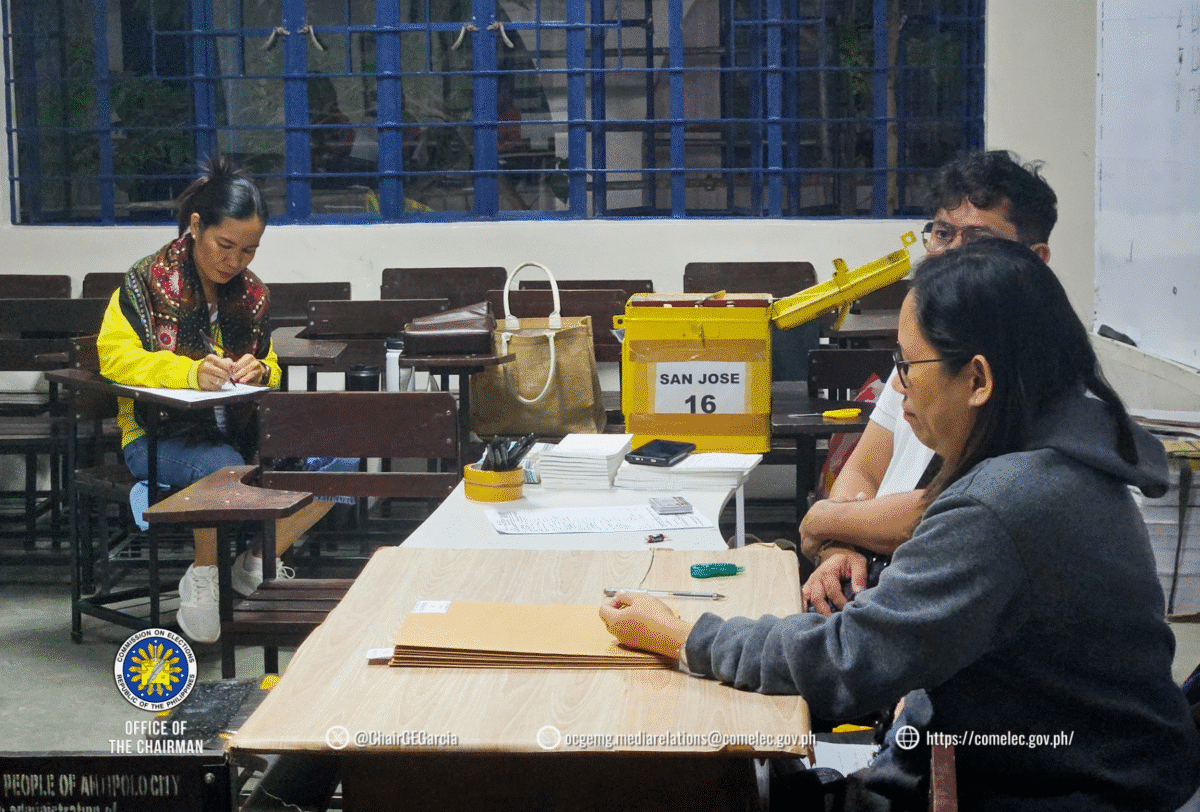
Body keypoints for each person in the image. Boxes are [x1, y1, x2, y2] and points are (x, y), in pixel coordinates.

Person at [601, 239, 1200, 811]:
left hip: (1063, 793)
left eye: (908, 363)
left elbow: (850, 662)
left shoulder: (1002, 504)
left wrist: (684, 637)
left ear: (979, 380)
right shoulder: (1058, 461)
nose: (900, 384)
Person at [801, 150, 1058, 614]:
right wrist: (840, 549)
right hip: (876, 585)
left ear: (1034, 261)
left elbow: (954, 507)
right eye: (942, 233)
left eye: (977, 239)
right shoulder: (921, 356)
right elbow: (862, 471)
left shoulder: (1033, 371)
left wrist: (826, 518)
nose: (950, 254)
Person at [97, 156, 331, 643]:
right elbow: (114, 359)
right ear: (196, 226)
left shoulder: (252, 296)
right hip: (158, 435)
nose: (235, 262)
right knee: (223, 466)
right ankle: (205, 575)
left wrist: (263, 368)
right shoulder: (144, 284)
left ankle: (256, 563)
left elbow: (270, 365)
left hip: (239, 427)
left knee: (342, 453)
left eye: (249, 251)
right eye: (226, 246)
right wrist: (187, 372)